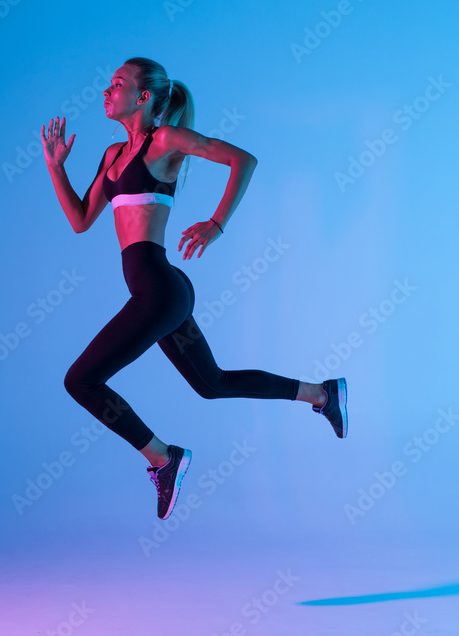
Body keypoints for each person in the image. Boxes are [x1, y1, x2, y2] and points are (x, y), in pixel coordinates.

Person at [42, 57, 347, 521]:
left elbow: (243, 160)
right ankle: (322, 394)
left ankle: (164, 459)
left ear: (143, 98)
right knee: (213, 384)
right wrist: (57, 168)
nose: (107, 91)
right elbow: (81, 221)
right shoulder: (110, 157)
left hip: (159, 291)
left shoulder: (163, 140)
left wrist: (216, 224)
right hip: (161, 291)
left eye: (118, 84)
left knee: (81, 380)